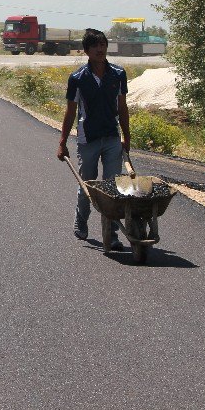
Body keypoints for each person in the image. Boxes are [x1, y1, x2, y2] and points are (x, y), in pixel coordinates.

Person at [57, 29, 130, 250]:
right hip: (87, 139)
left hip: (111, 137)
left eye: (103, 45)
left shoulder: (118, 74)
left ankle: (112, 234)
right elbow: (70, 112)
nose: (100, 49)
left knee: (111, 187)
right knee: (87, 184)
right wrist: (62, 142)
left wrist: (126, 136)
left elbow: (122, 107)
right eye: (95, 46)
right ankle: (81, 219)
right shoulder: (77, 78)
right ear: (87, 50)